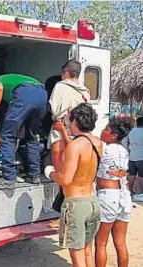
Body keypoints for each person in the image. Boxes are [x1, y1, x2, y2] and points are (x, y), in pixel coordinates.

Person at [44, 103, 102, 267]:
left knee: (77, 257)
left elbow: (65, 180)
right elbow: (78, 150)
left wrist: (50, 172)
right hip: (92, 201)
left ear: (75, 122)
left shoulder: (75, 146)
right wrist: (63, 131)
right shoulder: (97, 143)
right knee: (87, 250)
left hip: (75, 205)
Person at [0, 73, 47, 189]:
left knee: (8, 136)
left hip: (25, 93)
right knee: (32, 137)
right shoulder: (16, 79)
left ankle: (8, 178)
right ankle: (34, 175)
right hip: (42, 94)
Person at [95, 118, 133, 267]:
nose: (102, 132)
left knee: (101, 243)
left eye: (106, 130)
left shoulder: (103, 149)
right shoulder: (124, 150)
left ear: (113, 136)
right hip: (124, 196)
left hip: (108, 195)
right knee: (120, 242)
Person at [48, 60, 90, 172]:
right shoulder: (85, 90)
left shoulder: (60, 86)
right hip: (78, 128)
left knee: (58, 155)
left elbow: (55, 108)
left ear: (66, 72)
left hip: (61, 125)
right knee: (73, 156)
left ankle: (60, 178)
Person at [122, 116, 143, 195]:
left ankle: (130, 190)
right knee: (141, 175)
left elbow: (125, 142)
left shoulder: (131, 131)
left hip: (132, 156)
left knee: (131, 174)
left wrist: (128, 150)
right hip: (141, 157)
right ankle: (141, 192)